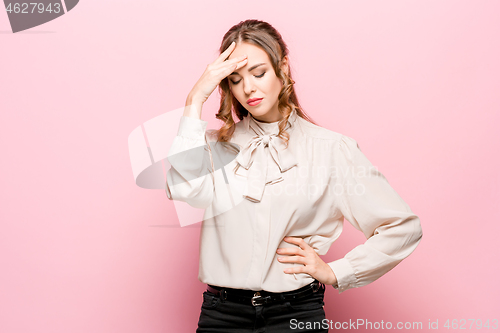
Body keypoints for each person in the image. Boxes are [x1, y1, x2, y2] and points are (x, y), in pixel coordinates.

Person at [165, 19, 423, 333]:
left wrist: (336, 271)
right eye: (235, 79)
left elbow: (401, 227)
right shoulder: (215, 146)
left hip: (295, 315)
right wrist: (195, 100)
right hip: (222, 316)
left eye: (259, 73)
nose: (248, 88)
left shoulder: (332, 149)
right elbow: (183, 188)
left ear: (282, 67)